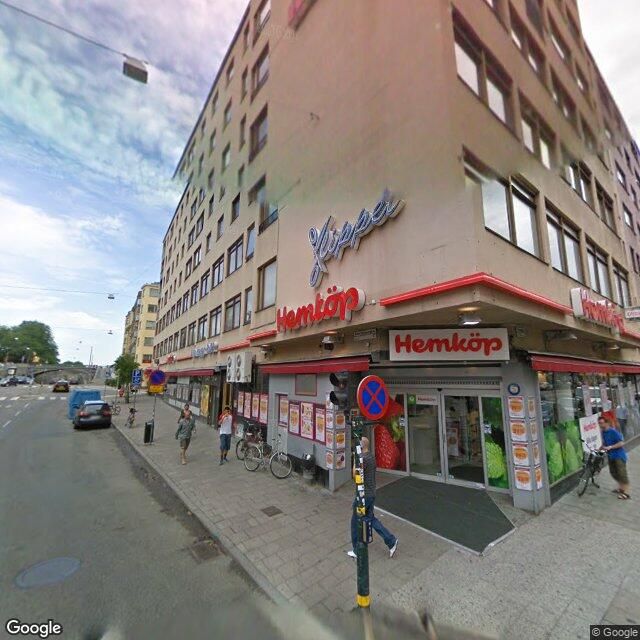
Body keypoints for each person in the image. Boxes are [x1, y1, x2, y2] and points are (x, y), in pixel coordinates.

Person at [347, 436, 398, 559]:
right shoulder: (371, 456)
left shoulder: (363, 459)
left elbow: (355, 476)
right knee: (370, 519)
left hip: (363, 497)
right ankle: (391, 541)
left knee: (355, 522)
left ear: (360, 446)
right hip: (371, 494)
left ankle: (356, 550)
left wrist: (355, 458)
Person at [599, 414, 630, 500]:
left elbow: (621, 443)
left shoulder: (613, 432)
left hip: (619, 456)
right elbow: (605, 443)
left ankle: (626, 493)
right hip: (611, 456)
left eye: (601, 423)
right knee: (613, 473)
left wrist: (611, 447)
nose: (600, 425)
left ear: (607, 423)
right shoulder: (603, 432)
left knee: (622, 474)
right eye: (599, 423)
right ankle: (621, 488)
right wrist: (601, 448)